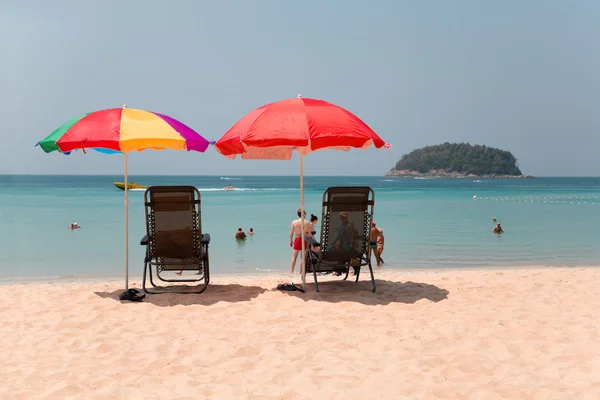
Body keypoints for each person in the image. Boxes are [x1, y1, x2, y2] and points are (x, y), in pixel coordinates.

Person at [289, 209, 310, 273]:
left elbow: (291, 232)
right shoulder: (307, 223)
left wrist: (290, 240)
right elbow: (309, 234)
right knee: (302, 257)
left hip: (297, 239)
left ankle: (291, 271)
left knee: (294, 256)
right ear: (303, 214)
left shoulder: (294, 222)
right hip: (304, 240)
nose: (306, 214)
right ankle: (300, 272)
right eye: (305, 213)